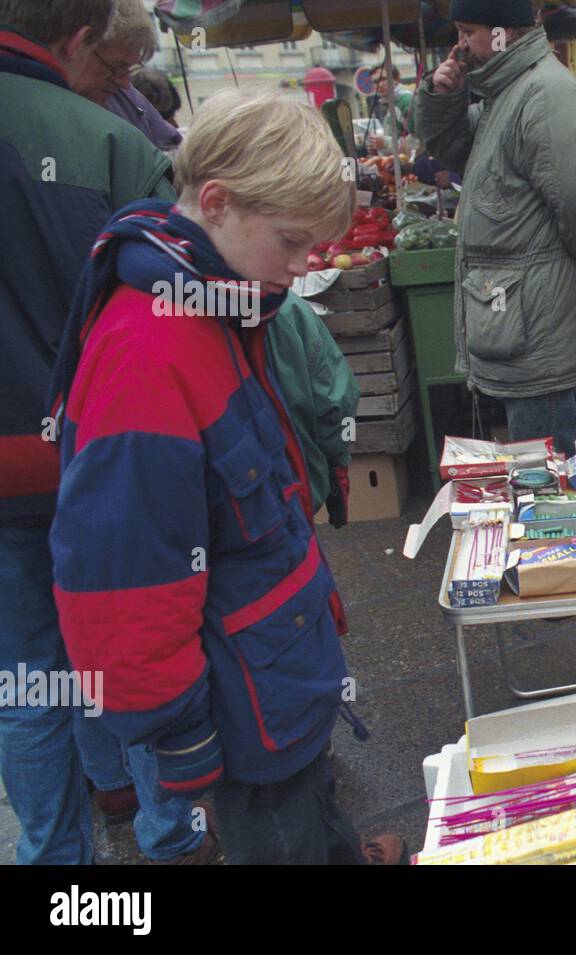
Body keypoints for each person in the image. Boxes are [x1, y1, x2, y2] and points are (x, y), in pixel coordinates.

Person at [47, 88, 404, 865]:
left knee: (307, 810)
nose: (306, 266)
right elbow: (121, 581)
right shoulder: (149, 352)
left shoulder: (216, 301)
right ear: (215, 203)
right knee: (280, 835)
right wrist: (182, 738)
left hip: (269, 675)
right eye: (292, 243)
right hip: (243, 703)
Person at [0, 0, 193, 866]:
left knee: (25, 682)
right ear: (78, 39)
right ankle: (167, 834)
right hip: (103, 453)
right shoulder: (110, 145)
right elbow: (178, 306)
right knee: (130, 649)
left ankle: (53, 867)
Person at [416, 0, 576, 456]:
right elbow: (459, 149)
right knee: (548, 479)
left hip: (537, 333)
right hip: (523, 326)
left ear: (502, 33)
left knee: (551, 488)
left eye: (468, 30)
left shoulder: (544, 94)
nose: (460, 44)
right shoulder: (507, 92)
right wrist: (444, 96)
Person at [265, 294, 360, 523]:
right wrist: (338, 459)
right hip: (290, 483)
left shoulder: (172, 307)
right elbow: (337, 401)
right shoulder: (286, 308)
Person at [71, 0, 181, 152]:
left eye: (129, 68)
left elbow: (174, 147)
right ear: (76, 46)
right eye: (116, 67)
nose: (124, 83)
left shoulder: (129, 99)